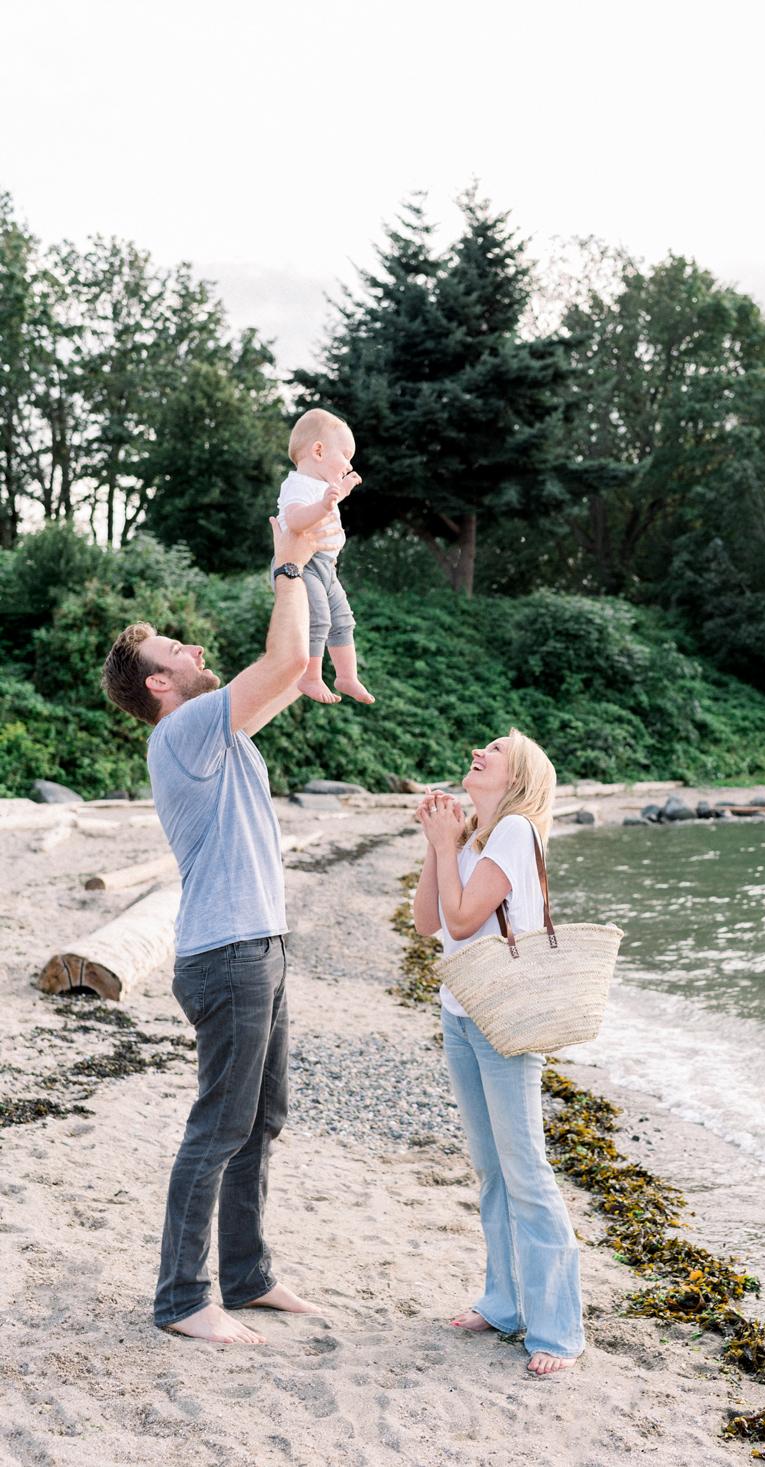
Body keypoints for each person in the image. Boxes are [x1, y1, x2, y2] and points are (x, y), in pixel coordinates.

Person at [100, 511, 338, 1345]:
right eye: (179, 653)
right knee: (220, 1126)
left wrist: (314, 559)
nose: (197, 652)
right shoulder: (183, 731)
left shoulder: (221, 731)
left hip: (258, 947)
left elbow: (295, 665)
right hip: (226, 955)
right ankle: (180, 1297)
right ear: (159, 685)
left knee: (262, 1118)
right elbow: (277, 659)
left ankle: (247, 1274)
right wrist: (283, 564)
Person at [412, 729, 585, 1376]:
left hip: (503, 1020)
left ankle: (559, 1330)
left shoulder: (515, 830)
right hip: (462, 1013)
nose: (479, 751)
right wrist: (441, 845)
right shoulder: (483, 838)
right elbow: (429, 920)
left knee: (527, 1172)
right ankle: (505, 1302)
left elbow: (461, 922)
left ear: (519, 776)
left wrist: (446, 842)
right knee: (491, 1167)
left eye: (495, 748)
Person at [277, 407, 374, 706]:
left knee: (343, 620)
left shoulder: (322, 488)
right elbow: (294, 521)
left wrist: (339, 493)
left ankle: (347, 676)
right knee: (318, 617)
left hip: (325, 567)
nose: (349, 464)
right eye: (345, 454)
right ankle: (310, 676)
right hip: (302, 564)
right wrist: (325, 504)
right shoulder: (297, 484)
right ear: (318, 451)